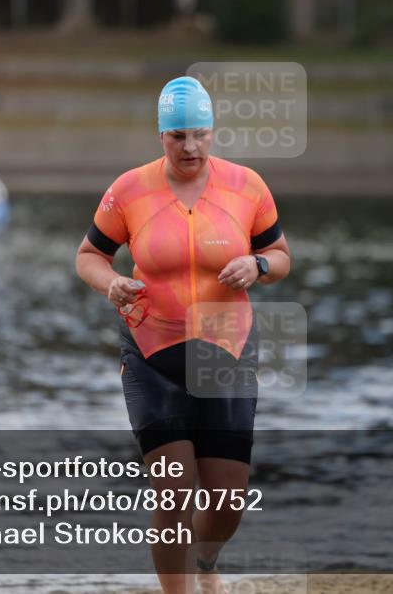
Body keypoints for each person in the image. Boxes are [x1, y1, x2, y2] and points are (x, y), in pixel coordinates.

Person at [75, 76, 290, 594]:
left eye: (199, 134)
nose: (189, 147)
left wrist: (257, 264)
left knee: (226, 505)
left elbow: (283, 258)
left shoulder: (247, 186)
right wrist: (113, 283)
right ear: (161, 136)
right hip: (152, 352)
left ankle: (207, 561)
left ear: (213, 132)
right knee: (171, 492)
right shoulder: (129, 190)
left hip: (227, 352)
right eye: (177, 136)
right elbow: (89, 257)